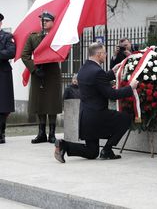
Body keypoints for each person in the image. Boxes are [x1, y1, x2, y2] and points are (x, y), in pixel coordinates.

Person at [54, 43, 138, 163]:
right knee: (126, 118)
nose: (105, 55)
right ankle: (107, 150)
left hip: (85, 117)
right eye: (104, 53)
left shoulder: (83, 69)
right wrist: (130, 88)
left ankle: (64, 145)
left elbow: (95, 81)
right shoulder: (97, 72)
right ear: (98, 54)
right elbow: (111, 94)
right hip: (98, 116)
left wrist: (112, 72)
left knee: (92, 152)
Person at [21, 11, 62, 144]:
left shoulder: (57, 37)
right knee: (40, 103)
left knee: (52, 103)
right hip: (38, 73)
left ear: (52, 22)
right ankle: (41, 133)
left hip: (52, 73)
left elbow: (64, 54)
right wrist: (33, 69)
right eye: (42, 21)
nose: (43, 23)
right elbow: (25, 55)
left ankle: (52, 133)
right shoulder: (33, 37)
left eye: (46, 21)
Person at [0, 13, 16, 144]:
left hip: (2, 74)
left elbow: (11, 52)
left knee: (3, 106)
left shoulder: (7, 37)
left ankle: (1, 133)